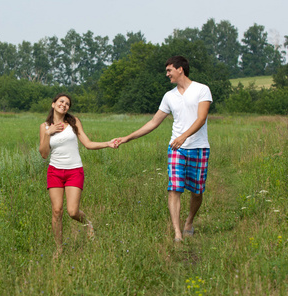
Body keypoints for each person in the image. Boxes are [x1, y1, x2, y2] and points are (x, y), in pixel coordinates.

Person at [115, 56, 213, 242]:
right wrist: (128, 137)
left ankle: (189, 222)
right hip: (176, 149)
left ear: (180, 69)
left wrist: (184, 136)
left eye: (169, 70)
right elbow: (153, 122)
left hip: (199, 147)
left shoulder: (202, 90)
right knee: (174, 189)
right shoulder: (169, 96)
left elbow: (201, 118)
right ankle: (177, 234)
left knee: (197, 191)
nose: (167, 74)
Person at [39, 93, 117, 255]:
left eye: (67, 103)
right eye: (61, 101)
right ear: (53, 104)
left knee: (72, 211)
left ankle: (88, 224)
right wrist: (48, 133)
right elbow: (44, 154)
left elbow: (87, 144)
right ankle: (59, 249)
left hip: (74, 170)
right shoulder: (45, 126)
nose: (64, 105)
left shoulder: (74, 122)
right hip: (54, 171)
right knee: (56, 210)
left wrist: (107, 144)